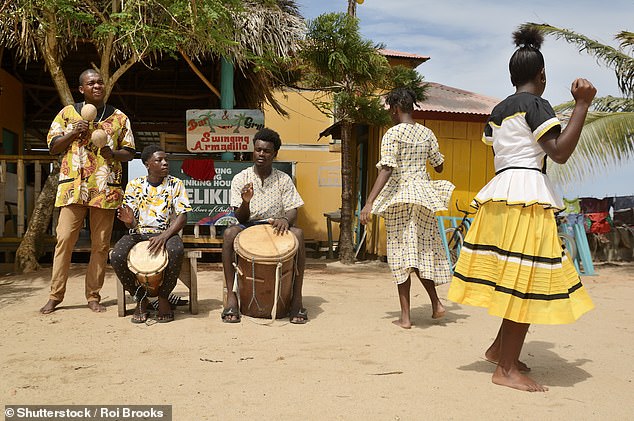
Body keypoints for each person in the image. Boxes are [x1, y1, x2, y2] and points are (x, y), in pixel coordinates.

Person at [446, 28, 596, 392]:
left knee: (516, 278)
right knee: (525, 283)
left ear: (511, 78)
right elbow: (558, 152)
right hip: (527, 198)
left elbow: (498, 147)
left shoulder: (498, 111)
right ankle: (506, 370)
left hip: (501, 196)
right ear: (541, 76)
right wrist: (581, 105)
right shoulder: (537, 105)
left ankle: (500, 351)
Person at [40, 69, 135, 314]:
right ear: (81, 89)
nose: (97, 86)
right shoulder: (67, 114)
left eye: (100, 82)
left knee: (100, 245)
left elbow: (130, 152)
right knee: (64, 240)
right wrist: (73, 132)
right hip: (73, 188)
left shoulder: (119, 117)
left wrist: (113, 154)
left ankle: (93, 296)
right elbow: (52, 147)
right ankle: (55, 295)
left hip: (105, 188)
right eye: (90, 83)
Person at [360, 87, 455, 329]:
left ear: (395, 108)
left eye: (390, 110)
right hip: (424, 197)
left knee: (402, 255)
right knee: (421, 252)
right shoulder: (427, 133)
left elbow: (387, 168)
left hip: (401, 198)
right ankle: (436, 304)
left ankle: (405, 317)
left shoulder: (393, 134)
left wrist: (369, 202)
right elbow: (439, 165)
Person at [221, 128, 307, 324]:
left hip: (276, 226)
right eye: (258, 149)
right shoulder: (241, 178)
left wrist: (286, 220)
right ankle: (231, 297)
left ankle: (297, 299)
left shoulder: (284, 179)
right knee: (228, 234)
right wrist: (246, 201)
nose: (261, 154)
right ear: (253, 150)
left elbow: (293, 209)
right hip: (249, 226)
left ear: (274, 154)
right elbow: (240, 218)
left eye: (266, 151)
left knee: (299, 234)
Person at [109, 145, 192, 323]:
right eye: (159, 160)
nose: (164, 163)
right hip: (138, 233)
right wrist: (128, 220)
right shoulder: (134, 185)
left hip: (166, 233)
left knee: (176, 251)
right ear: (147, 164)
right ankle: (140, 297)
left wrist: (164, 236)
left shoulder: (175, 184)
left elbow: (182, 216)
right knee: (116, 255)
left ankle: (163, 297)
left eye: (166, 160)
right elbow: (130, 222)